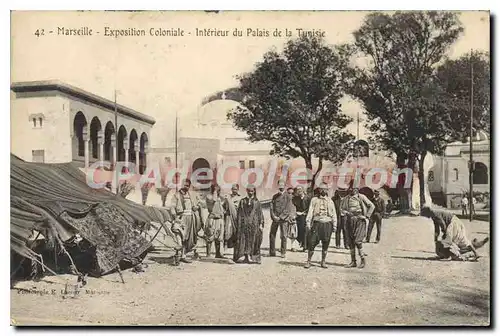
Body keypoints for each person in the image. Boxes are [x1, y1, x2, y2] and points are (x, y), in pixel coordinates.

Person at [420, 205, 488, 261]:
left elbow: (443, 224)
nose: (426, 217)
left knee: (449, 241)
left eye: (425, 215)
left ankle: (456, 255)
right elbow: (437, 228)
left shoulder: (434, 213)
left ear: (427, 212)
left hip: (453, 223)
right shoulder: (434, 214)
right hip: (455, 222)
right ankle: (475, 253)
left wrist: (444, 233)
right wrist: (435, 237)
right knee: (461, 240)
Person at [170, 179, 203, 265]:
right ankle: (177, 256)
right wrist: (175, 217)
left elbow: (200, 203)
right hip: (180, 218)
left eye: (187, 185)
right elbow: (172, 207)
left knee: (187, 238)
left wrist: (196, 207)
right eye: (184, 185)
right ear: (181, 185)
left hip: (191, 218)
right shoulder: (176, 195)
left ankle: (183, 256)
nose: (186, 187)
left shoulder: (191, 194)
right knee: (179, 236)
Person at [341, 186, 375, 268]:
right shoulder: (346, 198)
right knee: (351, 241)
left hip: (359, 220)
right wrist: (345, 212)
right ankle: (353, 261)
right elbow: (341, 209)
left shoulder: (361, 197)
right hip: (349, 220)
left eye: (354, 189)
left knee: (358, 241)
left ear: (357, 190)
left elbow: (372, 206)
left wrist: (367, 216)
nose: (352, 190)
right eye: (351, 189)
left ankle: (362, 259)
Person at [304, 185, 337, 268]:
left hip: (327, 223)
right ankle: (309, 261)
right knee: (312, 242)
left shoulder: (330, 201)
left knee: (326, 242)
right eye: (321, 189)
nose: (323, 190)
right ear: (319, 190)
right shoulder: (314, 200)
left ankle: (323, 261)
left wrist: (335, 225)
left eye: (325, 189)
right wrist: (308, 222)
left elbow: (334, 213)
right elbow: (310, 211)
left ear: (327, 190)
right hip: (317, 223)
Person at [233, 185, 265, 264]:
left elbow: (260, 214)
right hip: (244, 225)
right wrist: (239, 224)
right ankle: (246, 257)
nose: (250, 192)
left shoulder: (257, 202)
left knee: (254, 241)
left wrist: (261, 224)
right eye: (249, 191)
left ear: (254, 191)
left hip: (254, 225)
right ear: (247, 191)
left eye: (252, 191)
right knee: (244, 241)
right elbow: (239, 213)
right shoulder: (242, 201)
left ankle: (254, 258)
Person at [269, 180, 295, 258]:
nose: (281, 186)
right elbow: (271, 207)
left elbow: (288, 209)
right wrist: (274, 216)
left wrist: (280, 217)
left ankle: (283, 252)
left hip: (283, 219)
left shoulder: (288, 196)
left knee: (284, 235)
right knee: (272, 234)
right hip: (275, 219)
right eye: (279, 184)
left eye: (282, 185)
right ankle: (272, 252)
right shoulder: (274, 196)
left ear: (284, 186)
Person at [203, 184, 229, 259]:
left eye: (218, 190)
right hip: (212, 219)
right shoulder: (209, 196)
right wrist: (215, 192)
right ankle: (208, 254)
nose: (217, 191)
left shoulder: (219, 198)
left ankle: (218, 254)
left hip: (219, 219)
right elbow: (213, 201)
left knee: (218, 237)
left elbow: (223, 206)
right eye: (216, 190)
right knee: (210, 236)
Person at [292, 186, 311, 252]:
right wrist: (295, 213)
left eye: (300, 189)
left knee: (306, 232)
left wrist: (303, 213)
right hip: (298, 217)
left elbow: (310, 208)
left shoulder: (308, 198)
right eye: (298, 190)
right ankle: (300, 244)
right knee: (299, 231)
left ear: (303, 190)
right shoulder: (295, 198)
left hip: (305, 216)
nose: (299, 191)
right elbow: (293, 207)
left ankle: (305, 247)